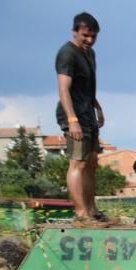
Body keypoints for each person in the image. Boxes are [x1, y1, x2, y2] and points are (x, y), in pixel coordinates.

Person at [55, 12, 108, 227]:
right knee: (77, 162)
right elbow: (64, 89)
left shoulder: (90, 53)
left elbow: (86, 85)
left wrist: (98, 107)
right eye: (85, 35)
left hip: (88, 113)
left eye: (93, 36)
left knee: (92, 162)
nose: (89, 40)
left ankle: (92, 211)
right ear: (74, 31)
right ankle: (80, 215)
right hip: (74, 115)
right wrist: (72, 119)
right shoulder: (67, 54)